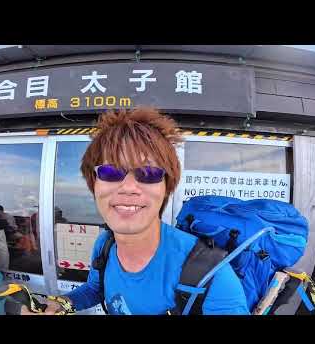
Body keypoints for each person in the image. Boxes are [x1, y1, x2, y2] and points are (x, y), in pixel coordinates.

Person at [23, 107, 249, 315]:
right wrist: (62, 304)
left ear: (166, 188)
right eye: (111, 172)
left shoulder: (212, 278)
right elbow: (95, 288)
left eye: (148, 173)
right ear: (94, 185)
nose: (129, 187)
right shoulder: (105, 244)